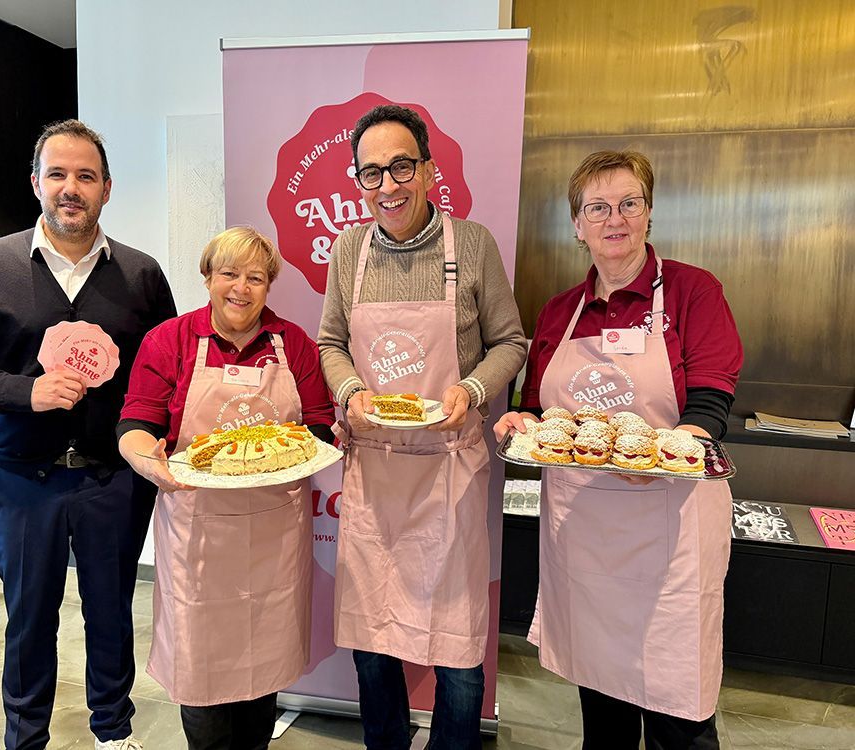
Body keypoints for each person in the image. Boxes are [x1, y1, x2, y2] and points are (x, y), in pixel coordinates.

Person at [0, 119, 176, 750]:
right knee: (28, 619)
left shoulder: (141, 275)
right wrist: (22, 391)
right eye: (57, 173)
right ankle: (25, 737)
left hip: (111, 481)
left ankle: (112, 732)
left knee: (112, 613)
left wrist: (157, 440)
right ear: (36, 182)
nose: (71, 188)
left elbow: (165, 371)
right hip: (20, 481)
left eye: (86, 176)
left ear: (107, 189)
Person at [494, 149, 744, 749]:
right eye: (598, 207)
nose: (615, 218)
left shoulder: (692, 291)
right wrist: (521, 424)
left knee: (678, 716)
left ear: (649, 212)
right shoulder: (559, 311)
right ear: (577, 224)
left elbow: (710, 403)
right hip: (585, 536)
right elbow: (541, 409)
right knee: (603, 710)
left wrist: (669, 455)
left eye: (629, 203)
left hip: (671, 534)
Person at [317, 104, 528, 750]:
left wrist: (472, 389)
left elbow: (510, 342)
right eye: (371, 173)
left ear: (430, 170)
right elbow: (331, 343)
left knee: (458, 647)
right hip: (375, 473)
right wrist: (350, 390)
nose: (388, 186)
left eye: (401, 167)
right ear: (358, 181)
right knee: (373, 639)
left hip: (448, 474)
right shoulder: (349, 250)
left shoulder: (473, 244)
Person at [117, 227, 336, 749]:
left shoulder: (293, 344)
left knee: (265, 657)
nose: (241, 288)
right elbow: (136, 421)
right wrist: (149, 461)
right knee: (202, 663)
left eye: (255, 278)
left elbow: (319, 423)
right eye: (229, 274)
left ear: (269, 285)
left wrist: (291, 448)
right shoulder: (169, 340)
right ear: (207, 277)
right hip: (198, 531)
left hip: (274, 531)